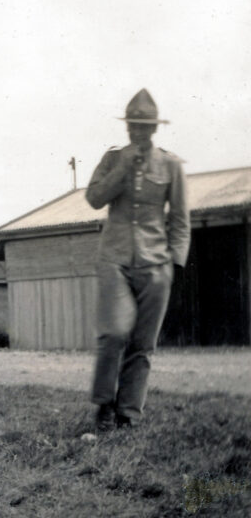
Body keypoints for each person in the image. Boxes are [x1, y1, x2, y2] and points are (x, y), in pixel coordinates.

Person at [84, 89, 190, 431]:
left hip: (156, 264)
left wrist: (175, 264)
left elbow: (180, 219)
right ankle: (104, 405)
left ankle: (128, 413)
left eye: (144, 126)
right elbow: (94, 199)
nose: (138, 132)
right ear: (126, 126)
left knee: (143, 344)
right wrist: (122, 169)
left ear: (155, 128)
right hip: (114, 258)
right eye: (133, 125)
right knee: (114, 334)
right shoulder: (113, 158)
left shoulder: (171, 164)